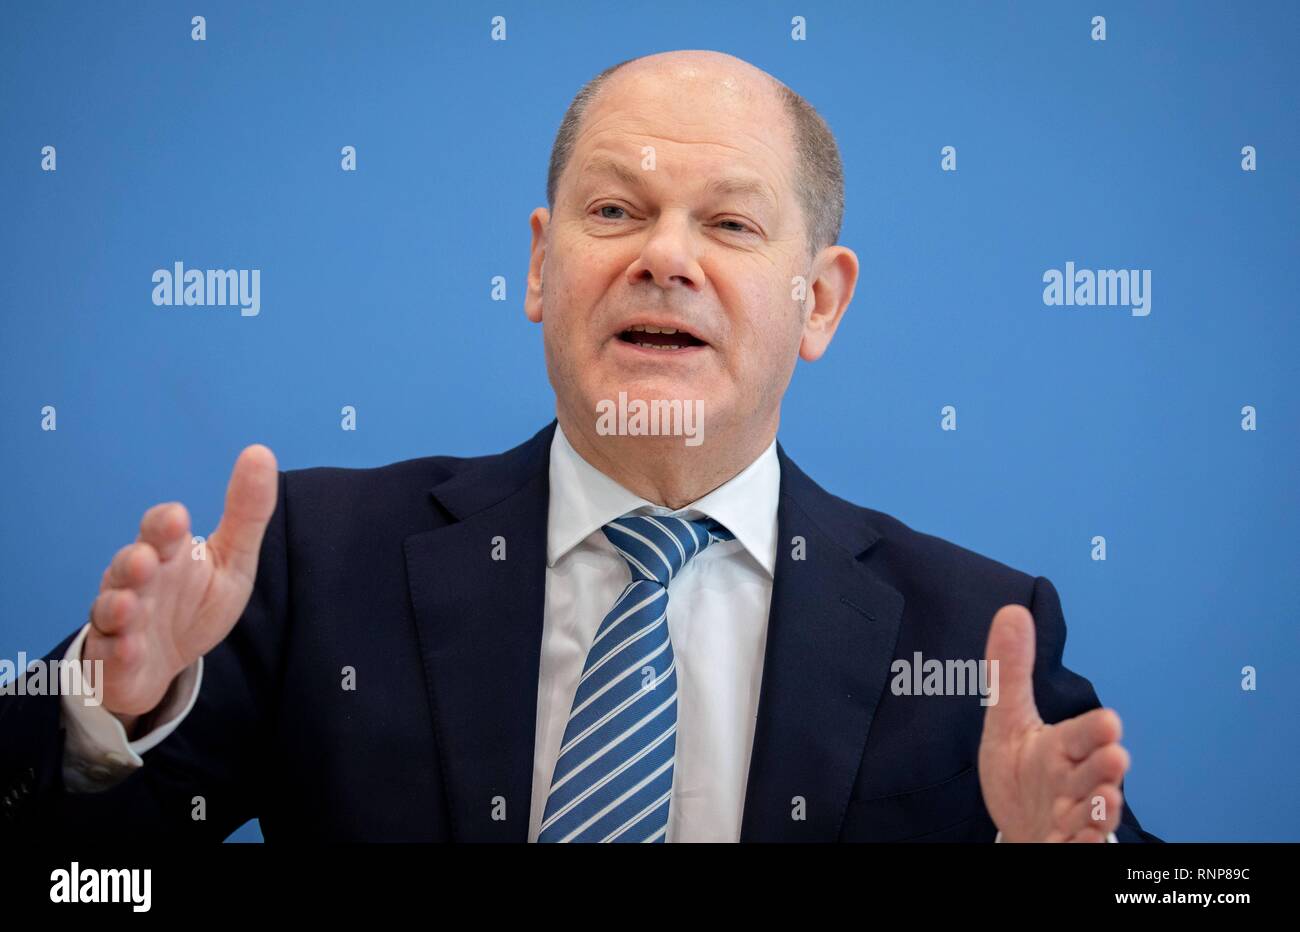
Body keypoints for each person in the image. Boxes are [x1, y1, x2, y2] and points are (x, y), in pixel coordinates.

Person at [0, 49, 1158, 843]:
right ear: (540, 268)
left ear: (820, 302)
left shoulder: (975, 634)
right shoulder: (314, 563)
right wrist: (101, 720)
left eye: (731, 224)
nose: (664, 257)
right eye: (614, 213)